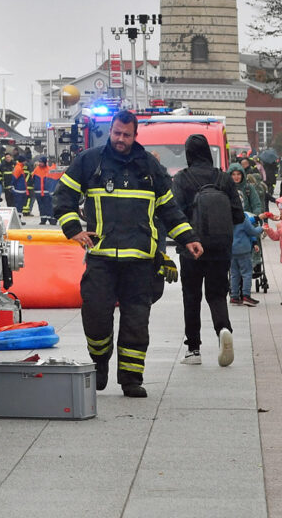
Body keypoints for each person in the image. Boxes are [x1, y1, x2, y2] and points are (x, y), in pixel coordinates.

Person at [54, 110, 201, 397]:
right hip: (101, 258)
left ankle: (131, 379)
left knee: (136, 321)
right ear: (111, 130)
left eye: (126, 134)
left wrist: (189, 238)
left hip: (140, 262)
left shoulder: (150, 167)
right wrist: (73, 230)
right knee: (95, 314)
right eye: (117, 133)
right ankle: (99, 362)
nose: (120, 139)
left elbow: (169, 209)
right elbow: (63, 196)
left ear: (135, 135)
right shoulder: (90, 161)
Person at [171, 133, 244, 367]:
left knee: (191, 296)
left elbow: (175, 213)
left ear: (188, 154)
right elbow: (239, 214)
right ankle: (223, 329)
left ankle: (193, 350)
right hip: (221, 248)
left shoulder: (182, 179)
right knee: (216, 294)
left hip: (191, 247)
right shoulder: (223, 178)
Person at [229, 211, 263, 306]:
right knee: (247, 273)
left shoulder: (226, 215)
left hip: (231, 249)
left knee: (234, 274)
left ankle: (234, 296)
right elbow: (252, 231)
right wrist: (262, 228)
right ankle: (246, 296)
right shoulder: (242, 217)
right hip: (243, 250)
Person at [30, 157, 56, 225]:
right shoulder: (36, 170)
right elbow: (32, 179)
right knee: (41, 206)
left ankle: (51, 219)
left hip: (46, 191)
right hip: (38, 191)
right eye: (39, 162)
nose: (40, 163)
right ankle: (43, 219)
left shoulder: (49, 170)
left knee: (49, 206)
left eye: (41, 162)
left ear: (44, 162)